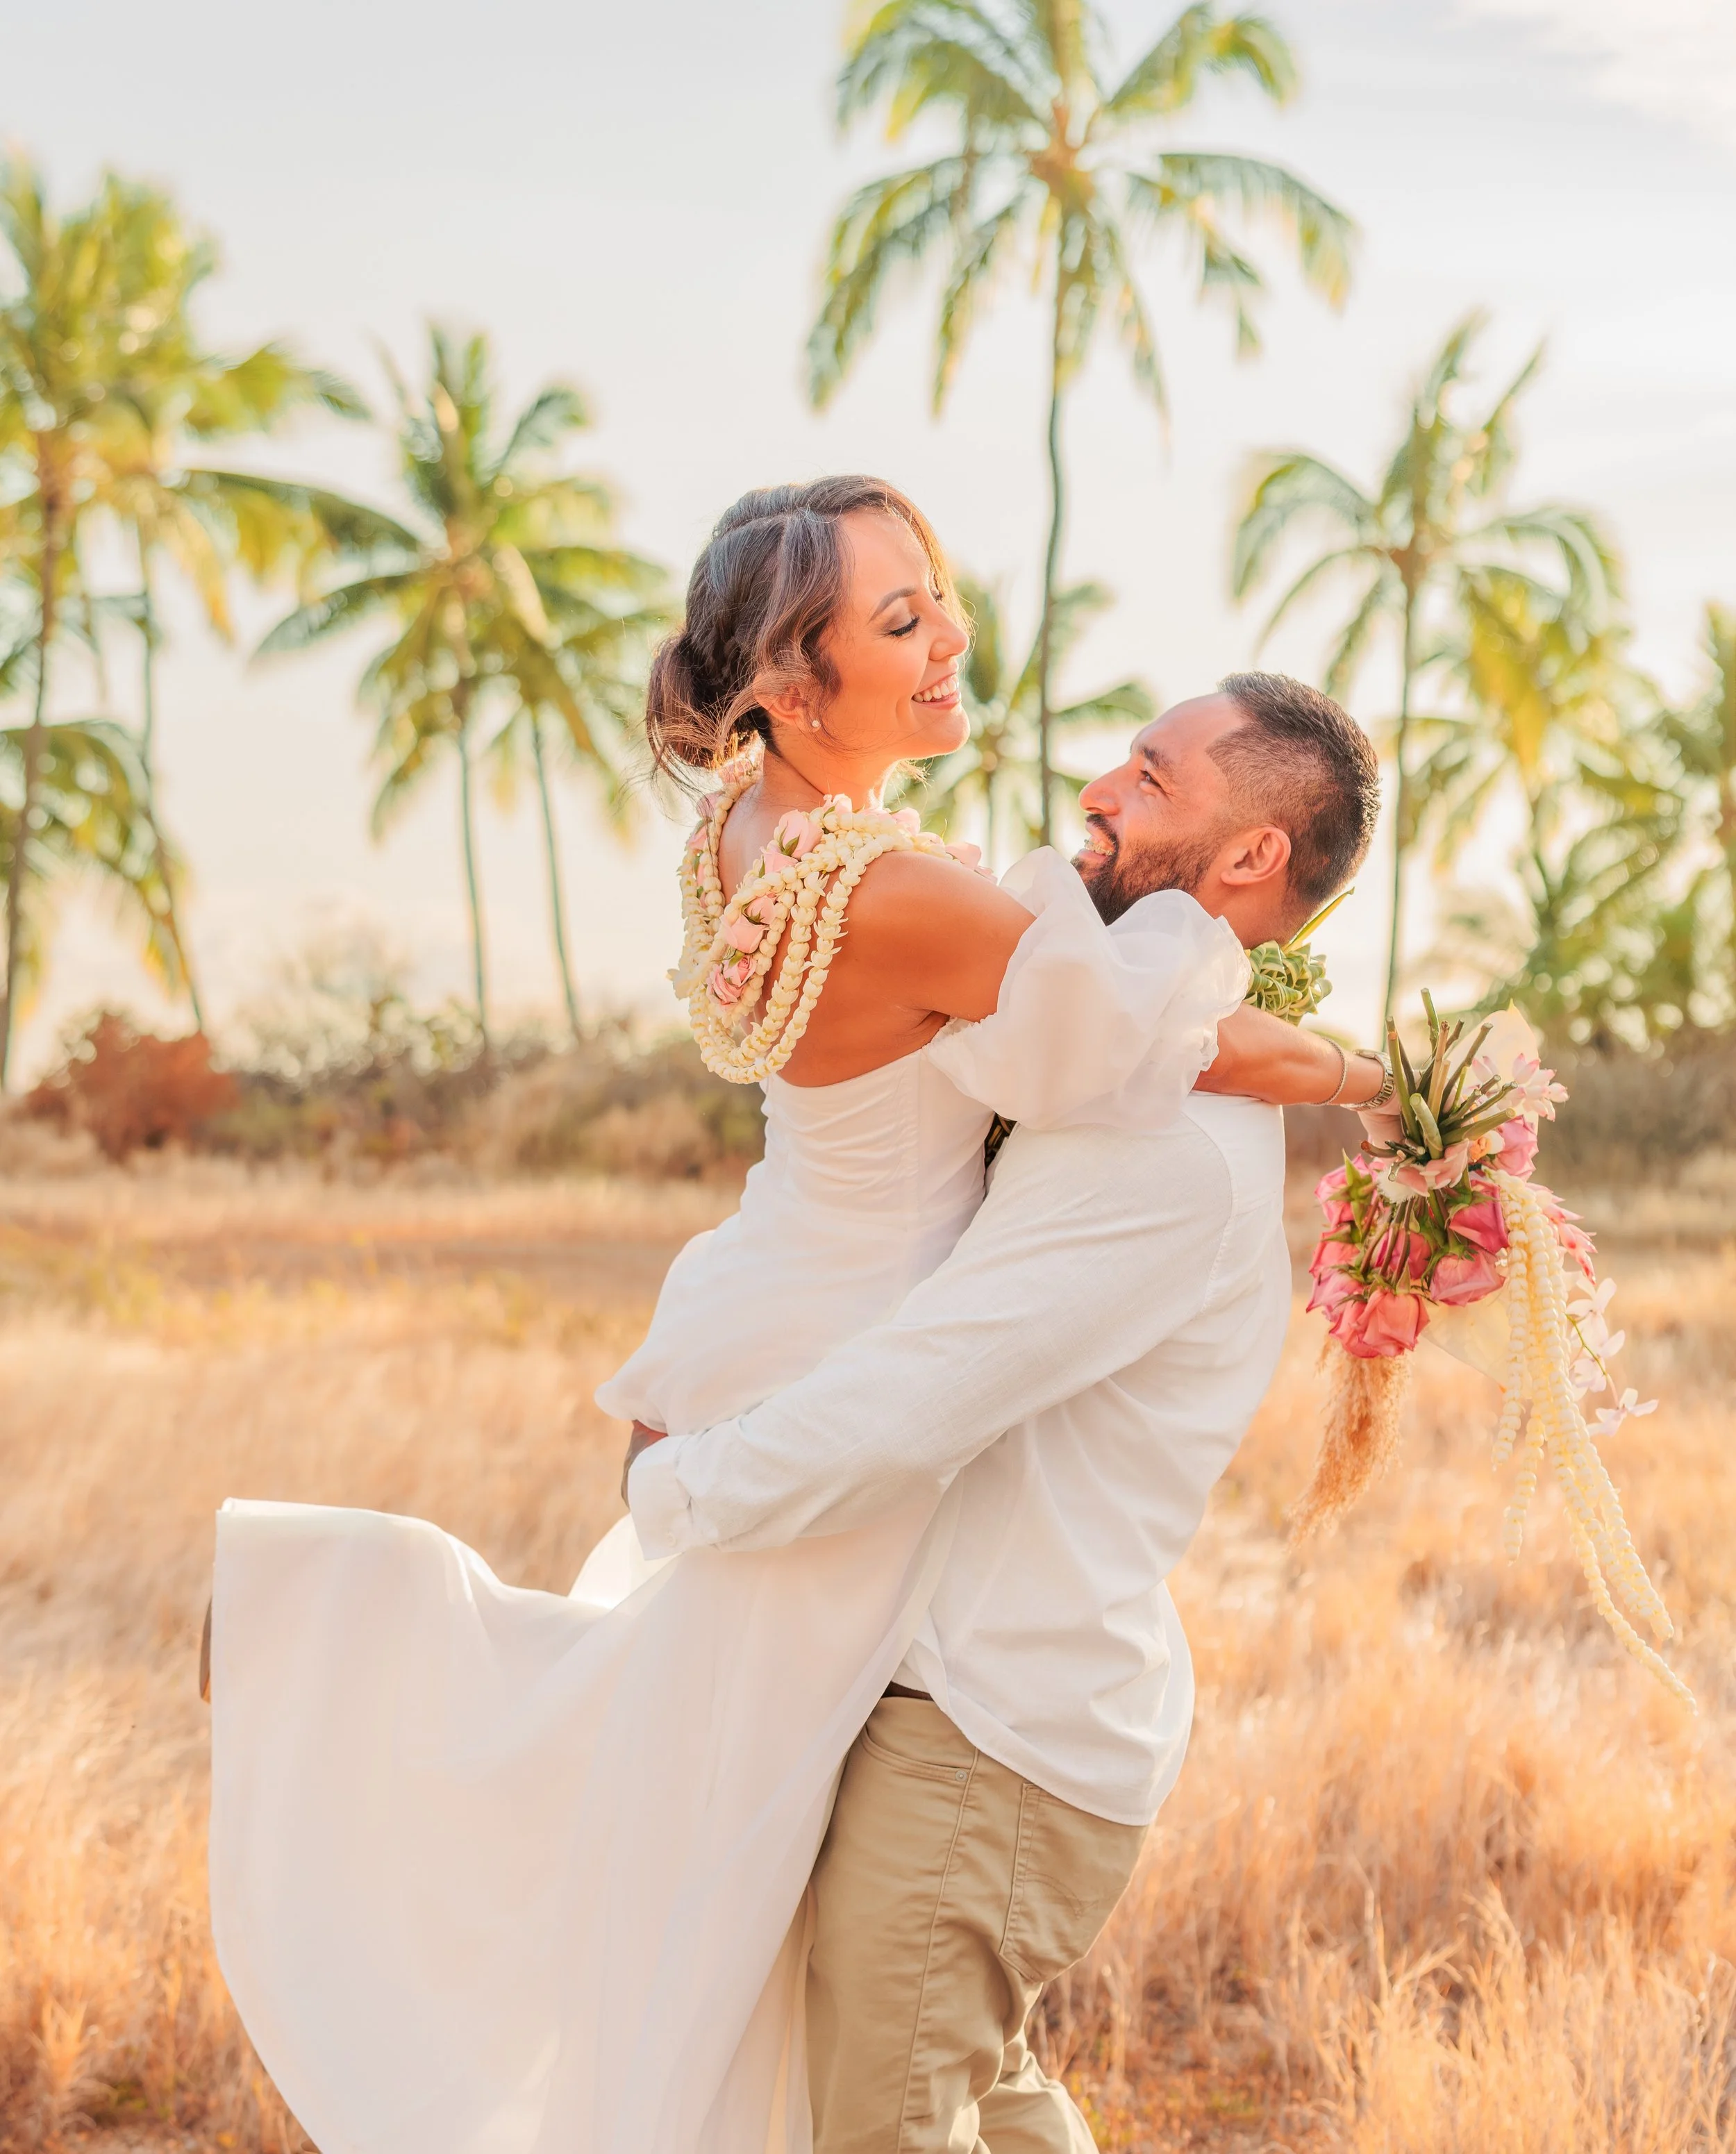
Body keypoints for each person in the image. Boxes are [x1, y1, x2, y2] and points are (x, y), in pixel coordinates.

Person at [205, 478, 1385, 2154]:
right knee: (704, 1813)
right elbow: (1163, 1035)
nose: (949, 636)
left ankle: (341, 1621)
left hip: (778, 1287)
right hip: (851, 1327)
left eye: (937, 596)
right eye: (897, 620)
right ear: (784, 682)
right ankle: (340, 1607)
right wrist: (1387, 1079)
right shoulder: (896, 889)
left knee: (682, 1770)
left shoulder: (748, 840)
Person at [624, 671, 1386, 2154]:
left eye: (1152, 777)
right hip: (965, 1701)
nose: (1097, 788)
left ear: (1250, 857)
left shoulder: (1163, 1154)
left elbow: (915, 1403)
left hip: (986, 1735)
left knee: (881, 2129)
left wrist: (673, 1487)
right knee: (984, 2105)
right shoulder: (1123, 1067)